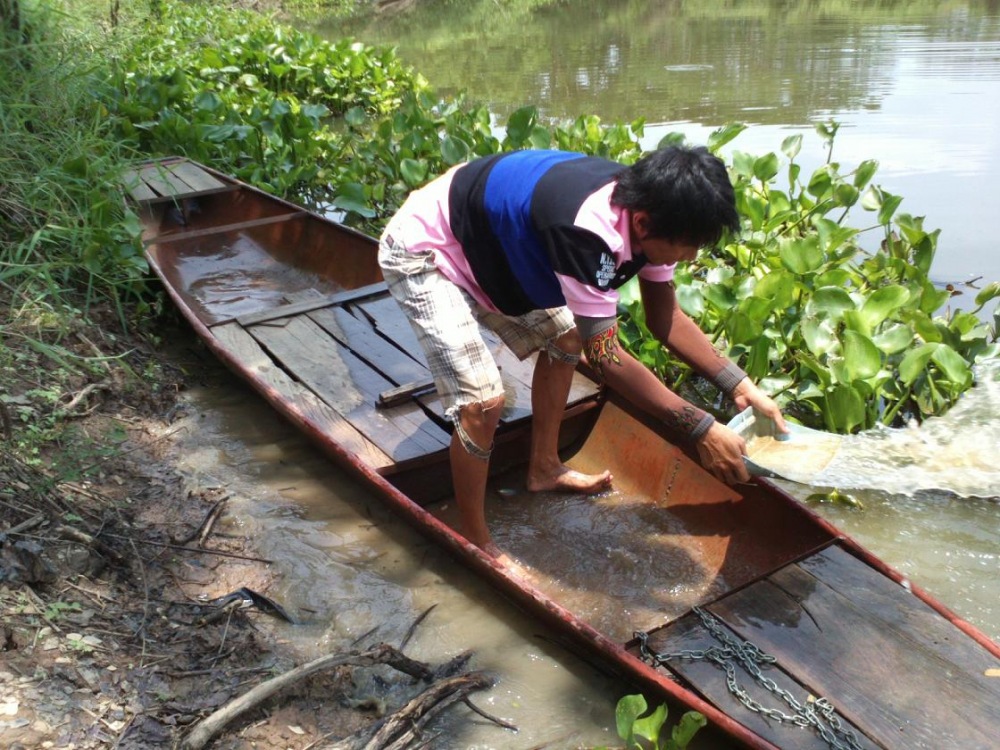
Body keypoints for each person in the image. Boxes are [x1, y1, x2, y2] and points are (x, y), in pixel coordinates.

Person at [378, 146, 785, 561]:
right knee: (483, 403)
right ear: (643, 225)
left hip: (490, 249)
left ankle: (544, 468)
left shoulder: (655, 212)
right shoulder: (590, 233)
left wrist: (740, 384)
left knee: (568, 337)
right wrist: (700, 427)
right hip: (427, 249)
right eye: (687, 246)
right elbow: (606, 355)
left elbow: (666, 319)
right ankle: (475, 540)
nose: (691, 257)